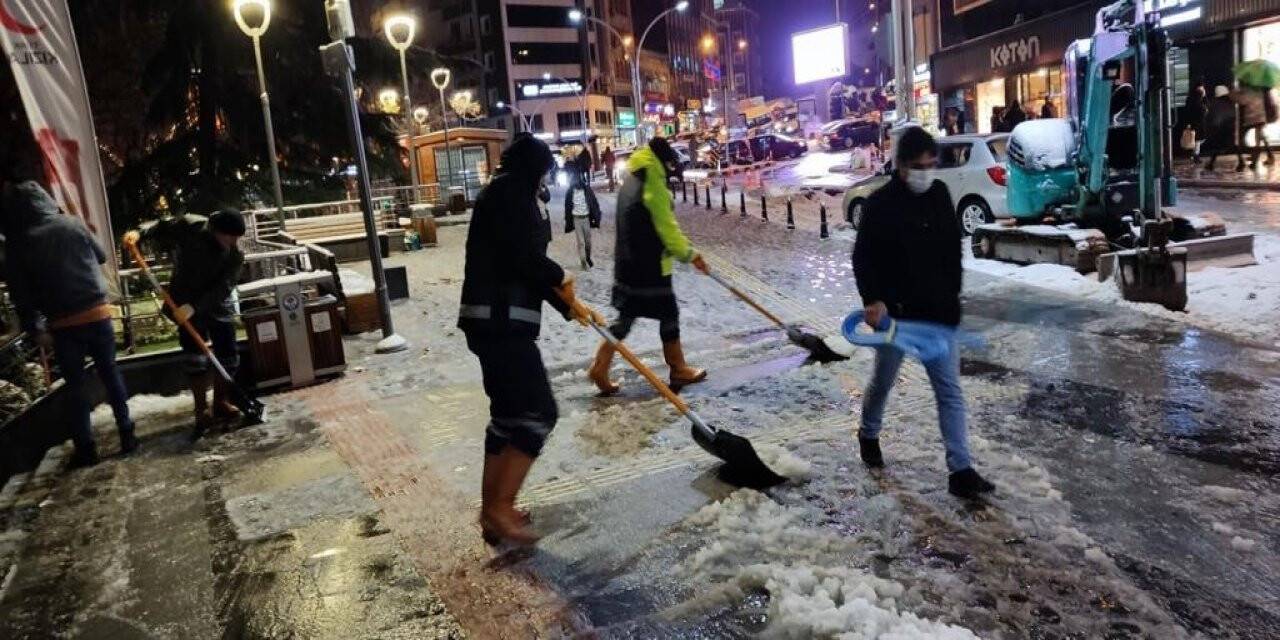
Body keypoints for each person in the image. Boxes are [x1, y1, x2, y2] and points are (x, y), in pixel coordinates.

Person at [459, 133, 598, 545]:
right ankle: (501, 507)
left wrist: (568, 306)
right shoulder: (511, 196)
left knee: (506, 419)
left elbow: (522, 266)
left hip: (495, 320)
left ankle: (491, 512)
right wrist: (561, 279)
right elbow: (524, 258)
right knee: (538, 413)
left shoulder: (506, 193)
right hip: (500, 322)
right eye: (546, 172)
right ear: (536, 170)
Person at [851, 126, 994, 499]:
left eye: (931, 165)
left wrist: (952, 300)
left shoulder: (940, 194)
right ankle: (868, 432)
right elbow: (863, 258)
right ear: (900, 166)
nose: (925, 173)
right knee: (883, 381)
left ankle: (960, 470)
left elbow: (951, 253)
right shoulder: (880, 204)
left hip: (937, 315)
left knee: (949, 392)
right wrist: (873, 299)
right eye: (918, 166)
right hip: (896, 318)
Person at [2, 179, 136, 467]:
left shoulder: (18, 242)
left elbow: (20, 293)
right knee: (110, 374)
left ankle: (86, 449)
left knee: (75, 386)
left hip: (63, 324)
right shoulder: (72, 224)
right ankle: (127, 433)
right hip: (98, 313)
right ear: (45, 200)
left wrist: (34, 328)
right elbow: (100, 255)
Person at [587, 137, 708, 395]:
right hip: (649, 265)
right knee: (669, 314)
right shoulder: (652, 179)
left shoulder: (635, 174)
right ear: (665, 162)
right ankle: (678, 368)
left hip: (627, 262)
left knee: (625, 318)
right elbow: (666, 226)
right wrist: (690, 254)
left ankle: (600, 367)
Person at [122, 209, 246, 440]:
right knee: (195, 359)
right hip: (183, 302)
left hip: (215, 305)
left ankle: (221, 401)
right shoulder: (191, 226)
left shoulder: (235, 254)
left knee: (228, 356)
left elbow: (224, 286)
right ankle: (201, 409)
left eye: (236, 237)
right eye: (229, 236)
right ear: (216, 230)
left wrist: (196, 307)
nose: (233, 241)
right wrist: (139, 233)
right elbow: (161, 225)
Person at [1232, 85, 1275, 169]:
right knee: (1259, 138)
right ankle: (1269, 156)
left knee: (1242, 137)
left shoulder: (1249, 88)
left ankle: (1251, 162)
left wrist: (1233, 94)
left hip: (1252, 117)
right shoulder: (1259, 88)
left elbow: (1242, 101)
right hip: (1260, 116)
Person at [1204, 85, 1245, 172]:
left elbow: (1214, 116)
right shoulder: (1231, 102)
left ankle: (1211, 164)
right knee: (1234, 145)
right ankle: (1241, 162)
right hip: (1231, 125)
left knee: (1217, 146)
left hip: (1221, 126)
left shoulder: (1216, 103)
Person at [1181, 82, 1207, 162]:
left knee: (1198, 139)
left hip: (1197, 123)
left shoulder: (1195, 100)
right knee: (1197, 140)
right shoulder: (1196, 101)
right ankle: (1196, 155)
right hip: (1196, 123)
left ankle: (1194, 154)